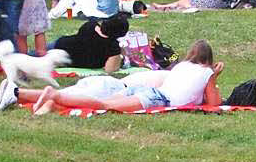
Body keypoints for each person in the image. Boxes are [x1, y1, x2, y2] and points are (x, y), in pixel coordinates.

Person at [21, 38, 223, 114]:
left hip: (148, 90)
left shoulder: (181, 66)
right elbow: (214, 104)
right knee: (104, 107)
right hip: (156, 97)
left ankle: (55, 102)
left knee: (97, 102)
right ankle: (55, 96)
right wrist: (214, 76)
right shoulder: (206, 73)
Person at [51, 13, 128, 73]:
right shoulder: (112, 47)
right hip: (66, 60)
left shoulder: (90, 25)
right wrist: (120, 57)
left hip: (61, 45)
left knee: (41, 53)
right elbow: (110, 70)